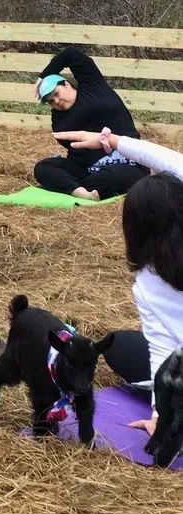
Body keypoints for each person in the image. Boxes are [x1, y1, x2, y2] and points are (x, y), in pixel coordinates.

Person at [54, 128, 183, 437]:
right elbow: (174, 162)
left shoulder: (148, 283)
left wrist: (159, 414)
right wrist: (114, 142)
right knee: (123, 345)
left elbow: (162, 349)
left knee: (120, 345)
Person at [33, 46, 147, 200]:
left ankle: (71, 185)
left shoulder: (93, 87)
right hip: (88, 168)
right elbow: (75, 152)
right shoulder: (59, 120)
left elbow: (71, 54)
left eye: (57, 94)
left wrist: (45, 75)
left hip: (125, 160)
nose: (57, 101)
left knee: (123, 176)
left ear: (67, 84)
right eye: (51, 101)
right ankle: (80, 192)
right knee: (43, 168)